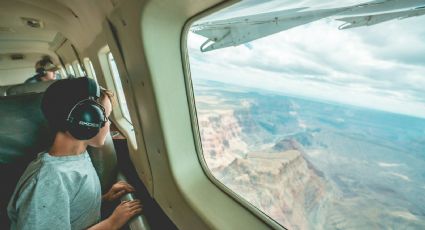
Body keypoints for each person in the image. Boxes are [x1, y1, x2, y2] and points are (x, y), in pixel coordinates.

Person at [7, 77, 142, 229]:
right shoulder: (49, 180)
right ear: (85, 119)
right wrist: (112, 223)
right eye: (105, 117)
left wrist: (102, 199)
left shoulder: (77, 157)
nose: (109, 124)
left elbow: (66, 207)